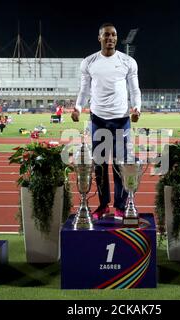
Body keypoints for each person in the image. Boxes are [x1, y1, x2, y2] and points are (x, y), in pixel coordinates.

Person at [71, 22, 141, 221]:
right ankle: (103, 205)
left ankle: (121, 206)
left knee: (121, 164)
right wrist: (77, 108)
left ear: (116, 38)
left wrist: (137, 108)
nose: (110, 38)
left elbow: (134, 89)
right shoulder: (89, 62)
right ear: (99, 37)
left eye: (113, 35)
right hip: (98, 119)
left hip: (121, 120)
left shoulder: (128, 61)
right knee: (100, 165)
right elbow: (84, 90)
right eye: (106, 35)